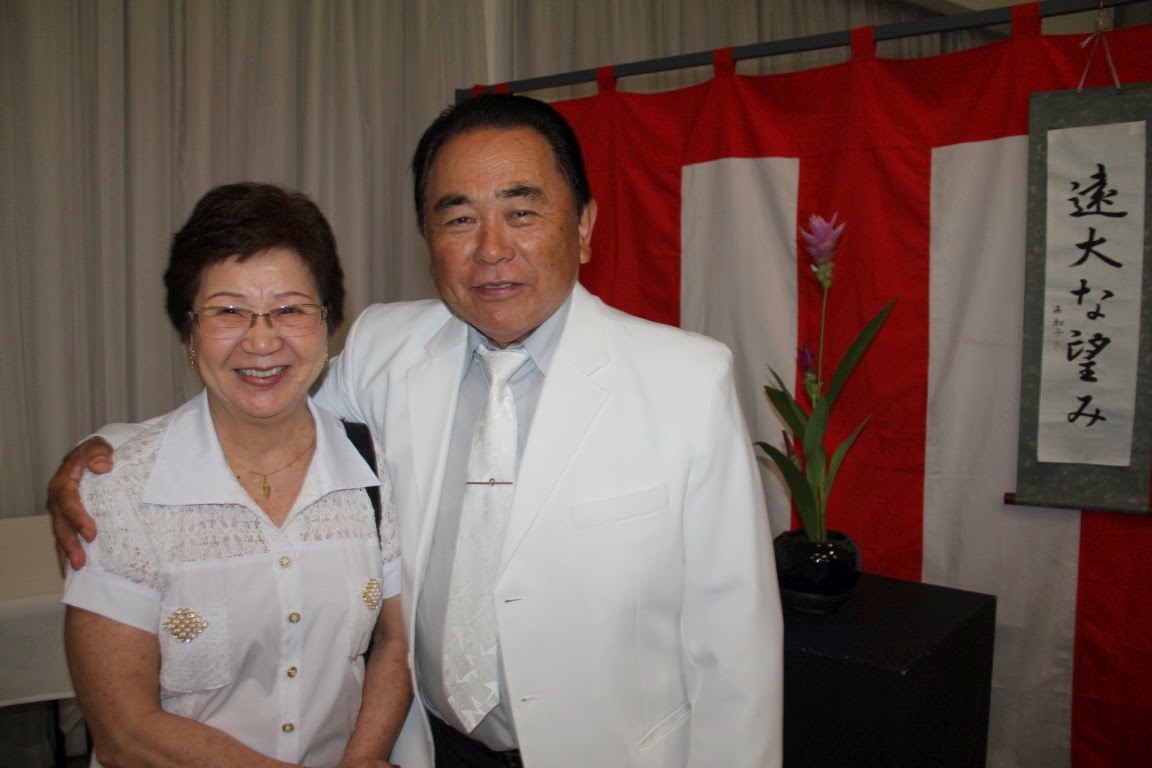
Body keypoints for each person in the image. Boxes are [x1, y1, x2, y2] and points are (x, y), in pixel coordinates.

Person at [50, 95, 783, 767]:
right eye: (458, 218)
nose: (491, 248)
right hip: (428, 745)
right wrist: (106, 454)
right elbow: (264, 393)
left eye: (521, 211)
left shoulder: (686, 381)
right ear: (427, 237)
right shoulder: (385, 348)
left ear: (584, 225)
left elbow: (734, 643)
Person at [59, 182, 411, 768]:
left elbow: (396, 642)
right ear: (188, 331)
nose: (262, 340)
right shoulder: (118, 489)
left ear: (328, 322)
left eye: (290, 309)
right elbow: (125, 732)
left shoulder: (374, 469)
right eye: (227, 311)